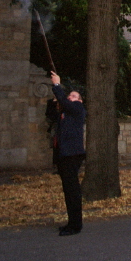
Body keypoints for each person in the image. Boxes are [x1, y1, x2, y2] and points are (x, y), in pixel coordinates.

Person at [50, 71, 86, 237]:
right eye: (69, 95)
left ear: (79, 100)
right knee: (68, 190)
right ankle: (71, 222)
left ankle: (76, 225)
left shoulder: (78, 108)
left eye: (74, 95)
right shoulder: (66, 113)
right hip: (64, 155)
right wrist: (56, 101)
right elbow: (50, 114)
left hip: (72, 155)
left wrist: (57, 85)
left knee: (72, 191)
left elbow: (68, 103)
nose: (70, 97)